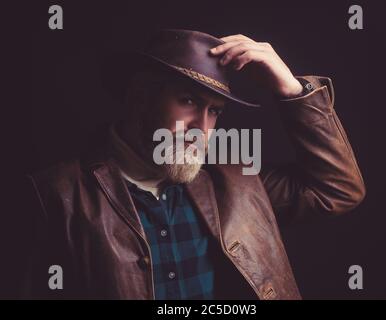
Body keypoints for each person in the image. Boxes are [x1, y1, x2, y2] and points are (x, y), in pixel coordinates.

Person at [24, 29, 365, 300]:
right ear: (140, 96)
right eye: (188, 101)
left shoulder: (238, 181)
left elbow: (338, 190)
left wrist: (293, 90)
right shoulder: (56, 194)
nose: (202, 128)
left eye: (214, 111)